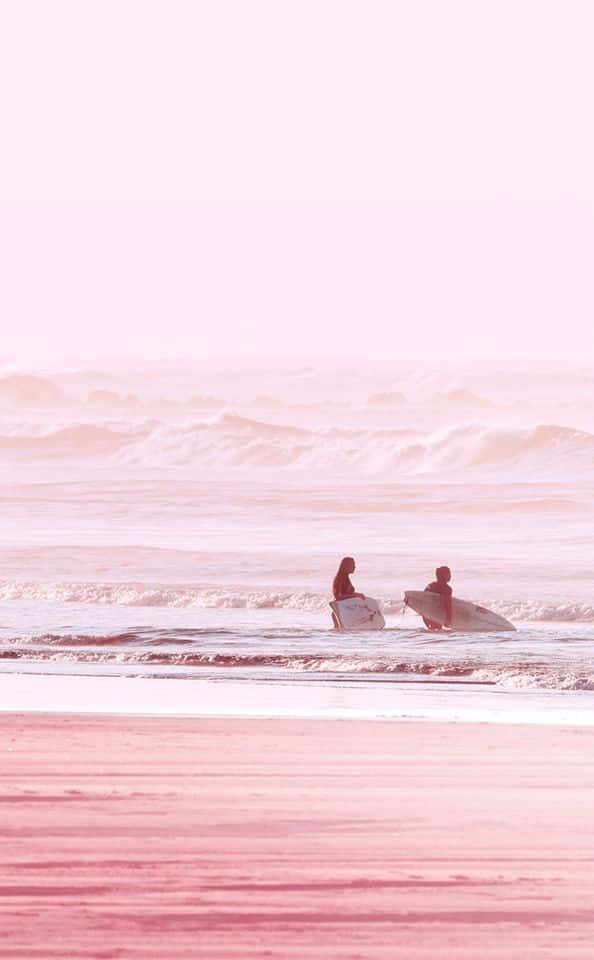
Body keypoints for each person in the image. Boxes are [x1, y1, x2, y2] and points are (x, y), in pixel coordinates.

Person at [331, 557, 365, 628]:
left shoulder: (346, 578)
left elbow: (346, 594)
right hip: (339, 612)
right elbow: (338, 597)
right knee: (341, 633)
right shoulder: (339, 579)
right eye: (352, 565)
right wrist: (355, 595)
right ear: (346, 566)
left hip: (346, 612)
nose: (354, 567)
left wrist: (356, 596)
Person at [423, 565, 452, 631]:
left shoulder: (430, 586)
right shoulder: (447, 589)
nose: (450, 576)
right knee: (438, 630)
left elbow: (423, 602)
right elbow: (448, 604)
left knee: (432, 630)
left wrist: (424, 619)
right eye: (449, 574)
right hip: (438, 615)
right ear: (444, 576)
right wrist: (448, 619)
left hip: (428, 615)